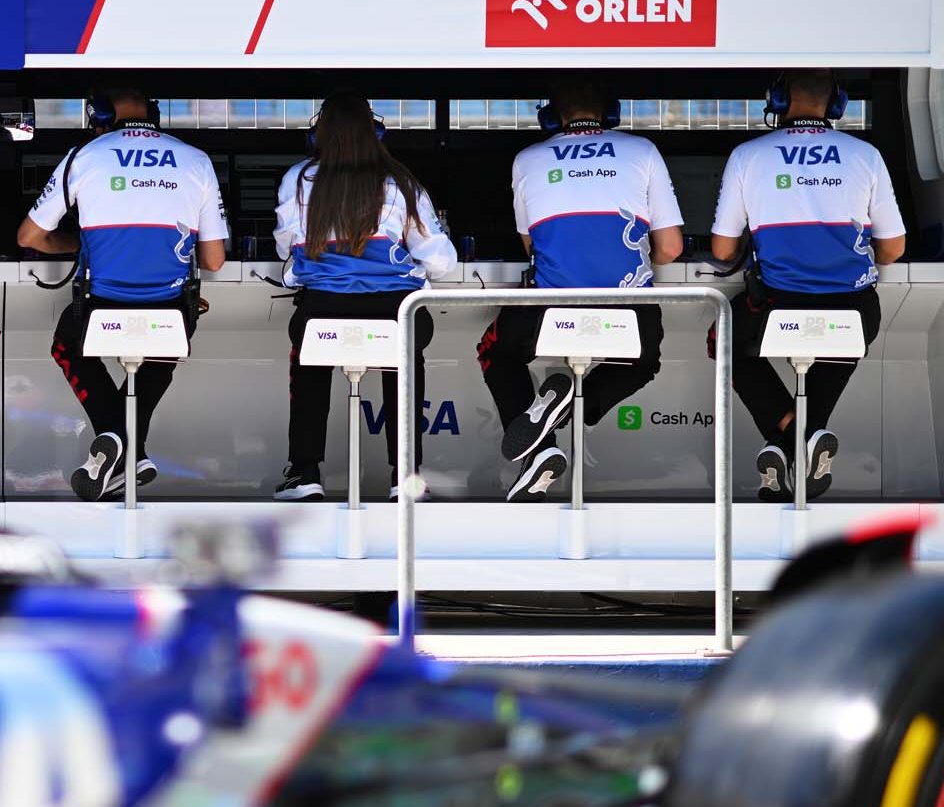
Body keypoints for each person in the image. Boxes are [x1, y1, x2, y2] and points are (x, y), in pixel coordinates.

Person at [18, 88, 228, 501]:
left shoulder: (85, 155)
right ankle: (132, 451)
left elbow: (30, 236)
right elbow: (215, 260)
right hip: (171, 310)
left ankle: (116, 437)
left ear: (101, 114)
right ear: (155, 111)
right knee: (163, 350)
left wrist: (81, 244)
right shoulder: (195, 160)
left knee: (67, 345)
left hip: (100, 307)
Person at [480, 79, 683, 501]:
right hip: (629, 311)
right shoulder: (642, 151)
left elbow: (532, 246)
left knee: (496, 355)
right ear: (611, 115)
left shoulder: (527, 159)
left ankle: (543, 448)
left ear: (551, 117)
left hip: (550, 310)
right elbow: (670, 248)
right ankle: (567, 406)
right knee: (642, 363)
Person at [710, 69, 904, 500]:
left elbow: (723, 251)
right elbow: (892, 249)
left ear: (777, 99)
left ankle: (788, 435)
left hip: (778, 308)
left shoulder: (748, 155)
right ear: (837, 104)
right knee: (842, 341)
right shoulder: (865, 155)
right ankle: (803, 436)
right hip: (853, 311)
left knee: (722, 339)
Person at [275, 94, 457, 501]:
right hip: (395, 311)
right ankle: (406, 477)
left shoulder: (298, 179)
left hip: (322, 308)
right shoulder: (402, 184)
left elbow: (286, 246)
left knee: (308, 361)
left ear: (317, 135)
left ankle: (304, 472)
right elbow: (441, 262)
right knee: (404, 358)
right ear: (376, 134)